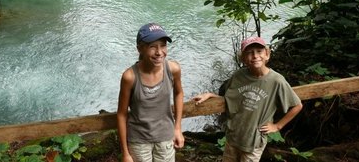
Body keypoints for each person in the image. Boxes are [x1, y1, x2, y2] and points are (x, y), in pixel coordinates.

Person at [193, 36, 303, 162]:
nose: (255, 56)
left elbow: (297, 106)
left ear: (267, 54)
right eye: (249, 53)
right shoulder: (239, 76)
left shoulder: (276, 81)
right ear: (243, 58)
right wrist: (211, 95)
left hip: (254, 142)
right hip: (233, 137)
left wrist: (277, 126)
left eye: (259, 51)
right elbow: (230, 100)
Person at [117, 23, 185, 162]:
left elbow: (178, 93)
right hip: (139, 141)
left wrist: (177, 128)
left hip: (166, 137)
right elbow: (122, 114)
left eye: (163, 45)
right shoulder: (130, 77)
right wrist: (125, 152)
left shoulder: (173, 69)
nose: (159, 52)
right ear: (140, 49)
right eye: (152, 46)